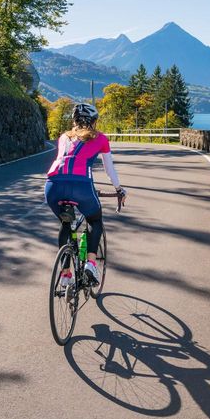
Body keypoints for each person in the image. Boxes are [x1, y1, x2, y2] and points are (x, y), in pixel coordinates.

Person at [45, 103, 126, 286]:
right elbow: (109, 169)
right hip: (81, 187)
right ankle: (90, 263)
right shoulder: (101, 139)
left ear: (74, 120)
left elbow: (66, 163)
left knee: (66, 222)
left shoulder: (63, 137)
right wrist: (118, 189)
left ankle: (65, 276)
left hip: (52, 186)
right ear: (94, 122)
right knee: (94, 220)